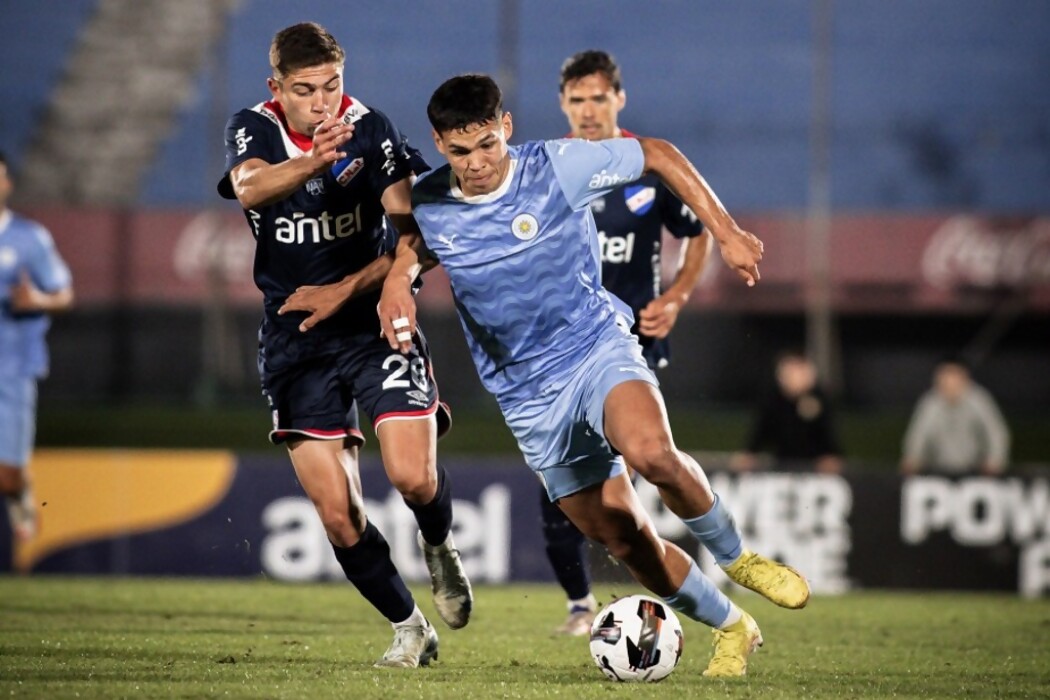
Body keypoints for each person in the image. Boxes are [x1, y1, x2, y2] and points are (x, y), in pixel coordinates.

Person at [379, 73, 810, 678]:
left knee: (653, 452)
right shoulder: (428, 200)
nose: (476, 163)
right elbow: (411, 247)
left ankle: (739, 559)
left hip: (595, 348)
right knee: (625, 537)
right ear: (440, 144)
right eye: (459, 151)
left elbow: (658, 153)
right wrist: (398, 282)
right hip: (527, 396)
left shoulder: (557, 167)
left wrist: (727, 231)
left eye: (487, 145)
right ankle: (735, 628)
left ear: (505, 128)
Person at [216, 22, 472, 669]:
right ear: (277, 88)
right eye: (306, 91)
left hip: (370, 326)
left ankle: (439, 545)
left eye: (332, 85)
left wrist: (394, 282)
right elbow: (249, 186)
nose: (323, 101)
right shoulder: (253, 129)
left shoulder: (371, 128)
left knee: (413, 474)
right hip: (295, 338)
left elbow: (418, 231)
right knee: (337, 514)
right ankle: (410, 627)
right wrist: (312, 161)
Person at [541, 49, 715, 636]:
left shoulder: (645, 166)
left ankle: (672, 585)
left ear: (619, 98)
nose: (588, 111)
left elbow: (697, 237)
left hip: (628, 348)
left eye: (598, 98)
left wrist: (678, 297)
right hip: (563, 352)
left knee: (628, 479)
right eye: (577, 100)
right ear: (564, 105)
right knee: (558, 490)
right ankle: (579, 606)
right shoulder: (551, 169)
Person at [0, 151, 74, 544]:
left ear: (8, 183)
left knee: (7, 475)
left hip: (12, 368)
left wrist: (37, 301)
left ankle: (19, 493)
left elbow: (63, 294)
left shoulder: (28, 239)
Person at [731, 349, 844, 474]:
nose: (794, 378)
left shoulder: (820, 399)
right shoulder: (773, 400)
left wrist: (831, 456)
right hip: (782, 464)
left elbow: (829, 436)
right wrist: (749, 453)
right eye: (790, 373)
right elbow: (761, 432)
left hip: (813, 466)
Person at [900, 357, 1010, 475]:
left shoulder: (979, 400)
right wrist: (912, 457)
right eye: (943, 376)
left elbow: (996, 432)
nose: (948, 381)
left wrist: (995, 460)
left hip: (976, 470)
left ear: (964, 377)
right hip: (938, 470)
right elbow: (917, 434)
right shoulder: (930, 402)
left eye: (952, 376)